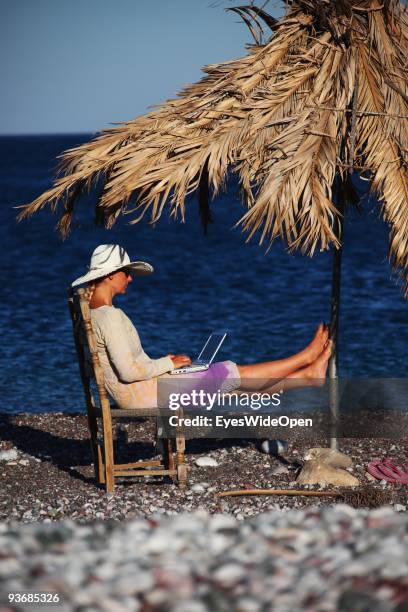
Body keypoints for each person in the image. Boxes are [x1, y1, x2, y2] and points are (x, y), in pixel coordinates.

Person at [72, 244, 332, 410]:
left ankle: (308, 377)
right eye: (125, 272)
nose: (130, 277)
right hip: (143, 394)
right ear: (109, 275)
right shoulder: (109, 316)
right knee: (229, 372)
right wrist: (168, 364)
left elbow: (126, 367)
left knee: (234, 387)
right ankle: (304, 358)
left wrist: (167, 365)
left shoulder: (93, 314)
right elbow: (128, 372)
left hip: (141, 390)